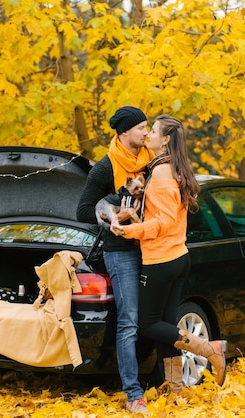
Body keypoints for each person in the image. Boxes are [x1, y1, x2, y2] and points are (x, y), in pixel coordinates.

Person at [111, 115, 227, 393]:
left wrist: (129, 231)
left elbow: (162, 223)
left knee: (147, 324)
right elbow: (168, 218)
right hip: (177, 256)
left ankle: (209, 349)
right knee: (166, 327)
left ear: (165, 140)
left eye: (153, 131)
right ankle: (176, 390)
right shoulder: (173, 168)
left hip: (161, 260)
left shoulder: (162, 174)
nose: (148, 134)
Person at [76, 106, 154, 413]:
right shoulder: (105, 168)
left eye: (148, 127)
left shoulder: (152, 161)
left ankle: (172, 381)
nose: (146, 133)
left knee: (160, 317)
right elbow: (82, 211)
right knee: (129, 322)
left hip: (153, 245)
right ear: (123, 133)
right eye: (141, 128)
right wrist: (116, 216)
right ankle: (134, 393)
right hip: (121, 251)